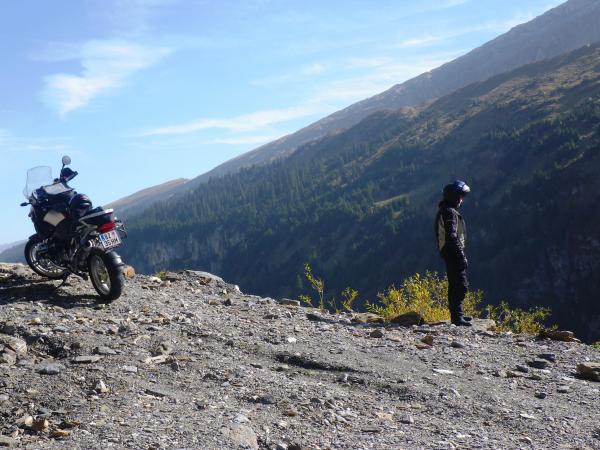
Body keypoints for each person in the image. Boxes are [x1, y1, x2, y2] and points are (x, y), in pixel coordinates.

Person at [435, 180, 472, 326]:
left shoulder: (446, 210)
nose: (462, 200)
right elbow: (451, 236)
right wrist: (461, 256)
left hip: (448, 252)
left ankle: (457, 315)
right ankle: (457, 318)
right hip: (452, 252)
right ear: (454, 197)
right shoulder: (449, 212)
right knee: (461, 285)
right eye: (460, 196)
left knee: (454, 284)